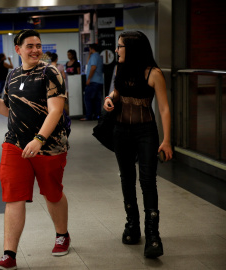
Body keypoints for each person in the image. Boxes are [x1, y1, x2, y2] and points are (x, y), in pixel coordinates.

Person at [0, 29, 70, 270]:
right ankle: (9, 255)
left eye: (38, 45)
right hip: (14, 143)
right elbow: (7, 109)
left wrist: (39, 139)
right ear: (18, 49)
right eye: (30, 46)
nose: (35, 50)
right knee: (14, 197)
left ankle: (62, 235)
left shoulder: (50, 72)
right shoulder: (12, 75)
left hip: (49, 146)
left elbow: (56, 110)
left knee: (52, 193)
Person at [103, 31, 173, 258]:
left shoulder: (153, 73)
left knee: (147, 180)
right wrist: (109, 99)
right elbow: (117, 93)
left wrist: (167, 141)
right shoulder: (120, 69)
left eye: (120, 46)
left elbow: (163, 108)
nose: (117, 50)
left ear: (131, 48)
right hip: (121, 131)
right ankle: (132, 225)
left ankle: (153, 235)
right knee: (126, 178)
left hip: (146, 132)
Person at [81, 43, 104, 121]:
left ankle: (88, 116)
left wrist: (89, 79)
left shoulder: (94, 56)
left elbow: (93, 67)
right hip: (99, 81)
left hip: (93, 81)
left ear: (91, 49)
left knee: (88, 98)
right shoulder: (99, 56)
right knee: (97, 100)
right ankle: (97, 115)